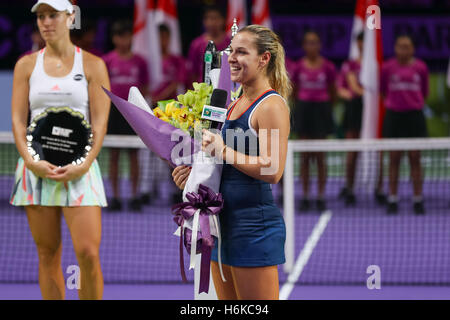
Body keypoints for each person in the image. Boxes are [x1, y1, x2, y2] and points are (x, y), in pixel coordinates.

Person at [173, 25, 291, 300]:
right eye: (231, 51)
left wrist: (224, 150)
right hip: (218, 225)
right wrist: (192, 176)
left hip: (253, 228)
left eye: (242, 52)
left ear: (264, 59)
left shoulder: (271, 106)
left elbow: (273, 170)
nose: (232, 58)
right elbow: (220, 162)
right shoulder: (230, 103)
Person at [10, 0, 110, 299]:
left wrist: (85, 162)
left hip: (81, 171)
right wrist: (30, 161)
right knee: (47, 254)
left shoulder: (93, 65)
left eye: (52, 15)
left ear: (70, 17)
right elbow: (17, 119)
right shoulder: (26, 65)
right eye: (41, 16)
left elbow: (100, 123)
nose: (45, 22)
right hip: (36, 171)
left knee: (88, 254)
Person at [102, 20, 149, 212]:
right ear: (114, 38)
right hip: (113, 112)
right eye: (119, 36)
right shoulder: (107, 60)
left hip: (132, 111)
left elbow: (144, 87)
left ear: (131, 37)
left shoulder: (140, 61)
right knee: (113, 156)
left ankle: (135, 196)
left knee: (133, 154)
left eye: (127, 35)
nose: (123, 40)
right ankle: (115, 196)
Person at [381, 34, 429, 215]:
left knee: (415, 158)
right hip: (395, 117)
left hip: (414, 117)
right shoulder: (387, 68)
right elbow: (383, 91)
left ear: (413, 49)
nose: (404, 50)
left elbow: (424, 92)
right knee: (394, 159)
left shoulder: (421, 68)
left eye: (407, 46)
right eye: (400, 46)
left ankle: (418, 198)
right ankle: (392, 198)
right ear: (395, 48)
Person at [291, 30, 337, 211]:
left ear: (320, 45)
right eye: (308, 42)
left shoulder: (328, 67)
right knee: (304, 157)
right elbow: (294, 91)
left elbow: (333, 90)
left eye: (315, 42)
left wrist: (325, 104)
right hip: (304, 110)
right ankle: (305, 195)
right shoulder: (298, 67)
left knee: (320, 157)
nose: (312, 46)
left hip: (321, 111)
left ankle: (320, 196)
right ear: (304, 46)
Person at [187, 5, 231, 85]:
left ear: (223, 20)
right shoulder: (196, 44)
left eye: (215, 18)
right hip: (203, 90)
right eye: (208, 18)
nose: (212, 22)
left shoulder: (231, 42)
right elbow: (192, 73)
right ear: (204, 21)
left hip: (226, 88)